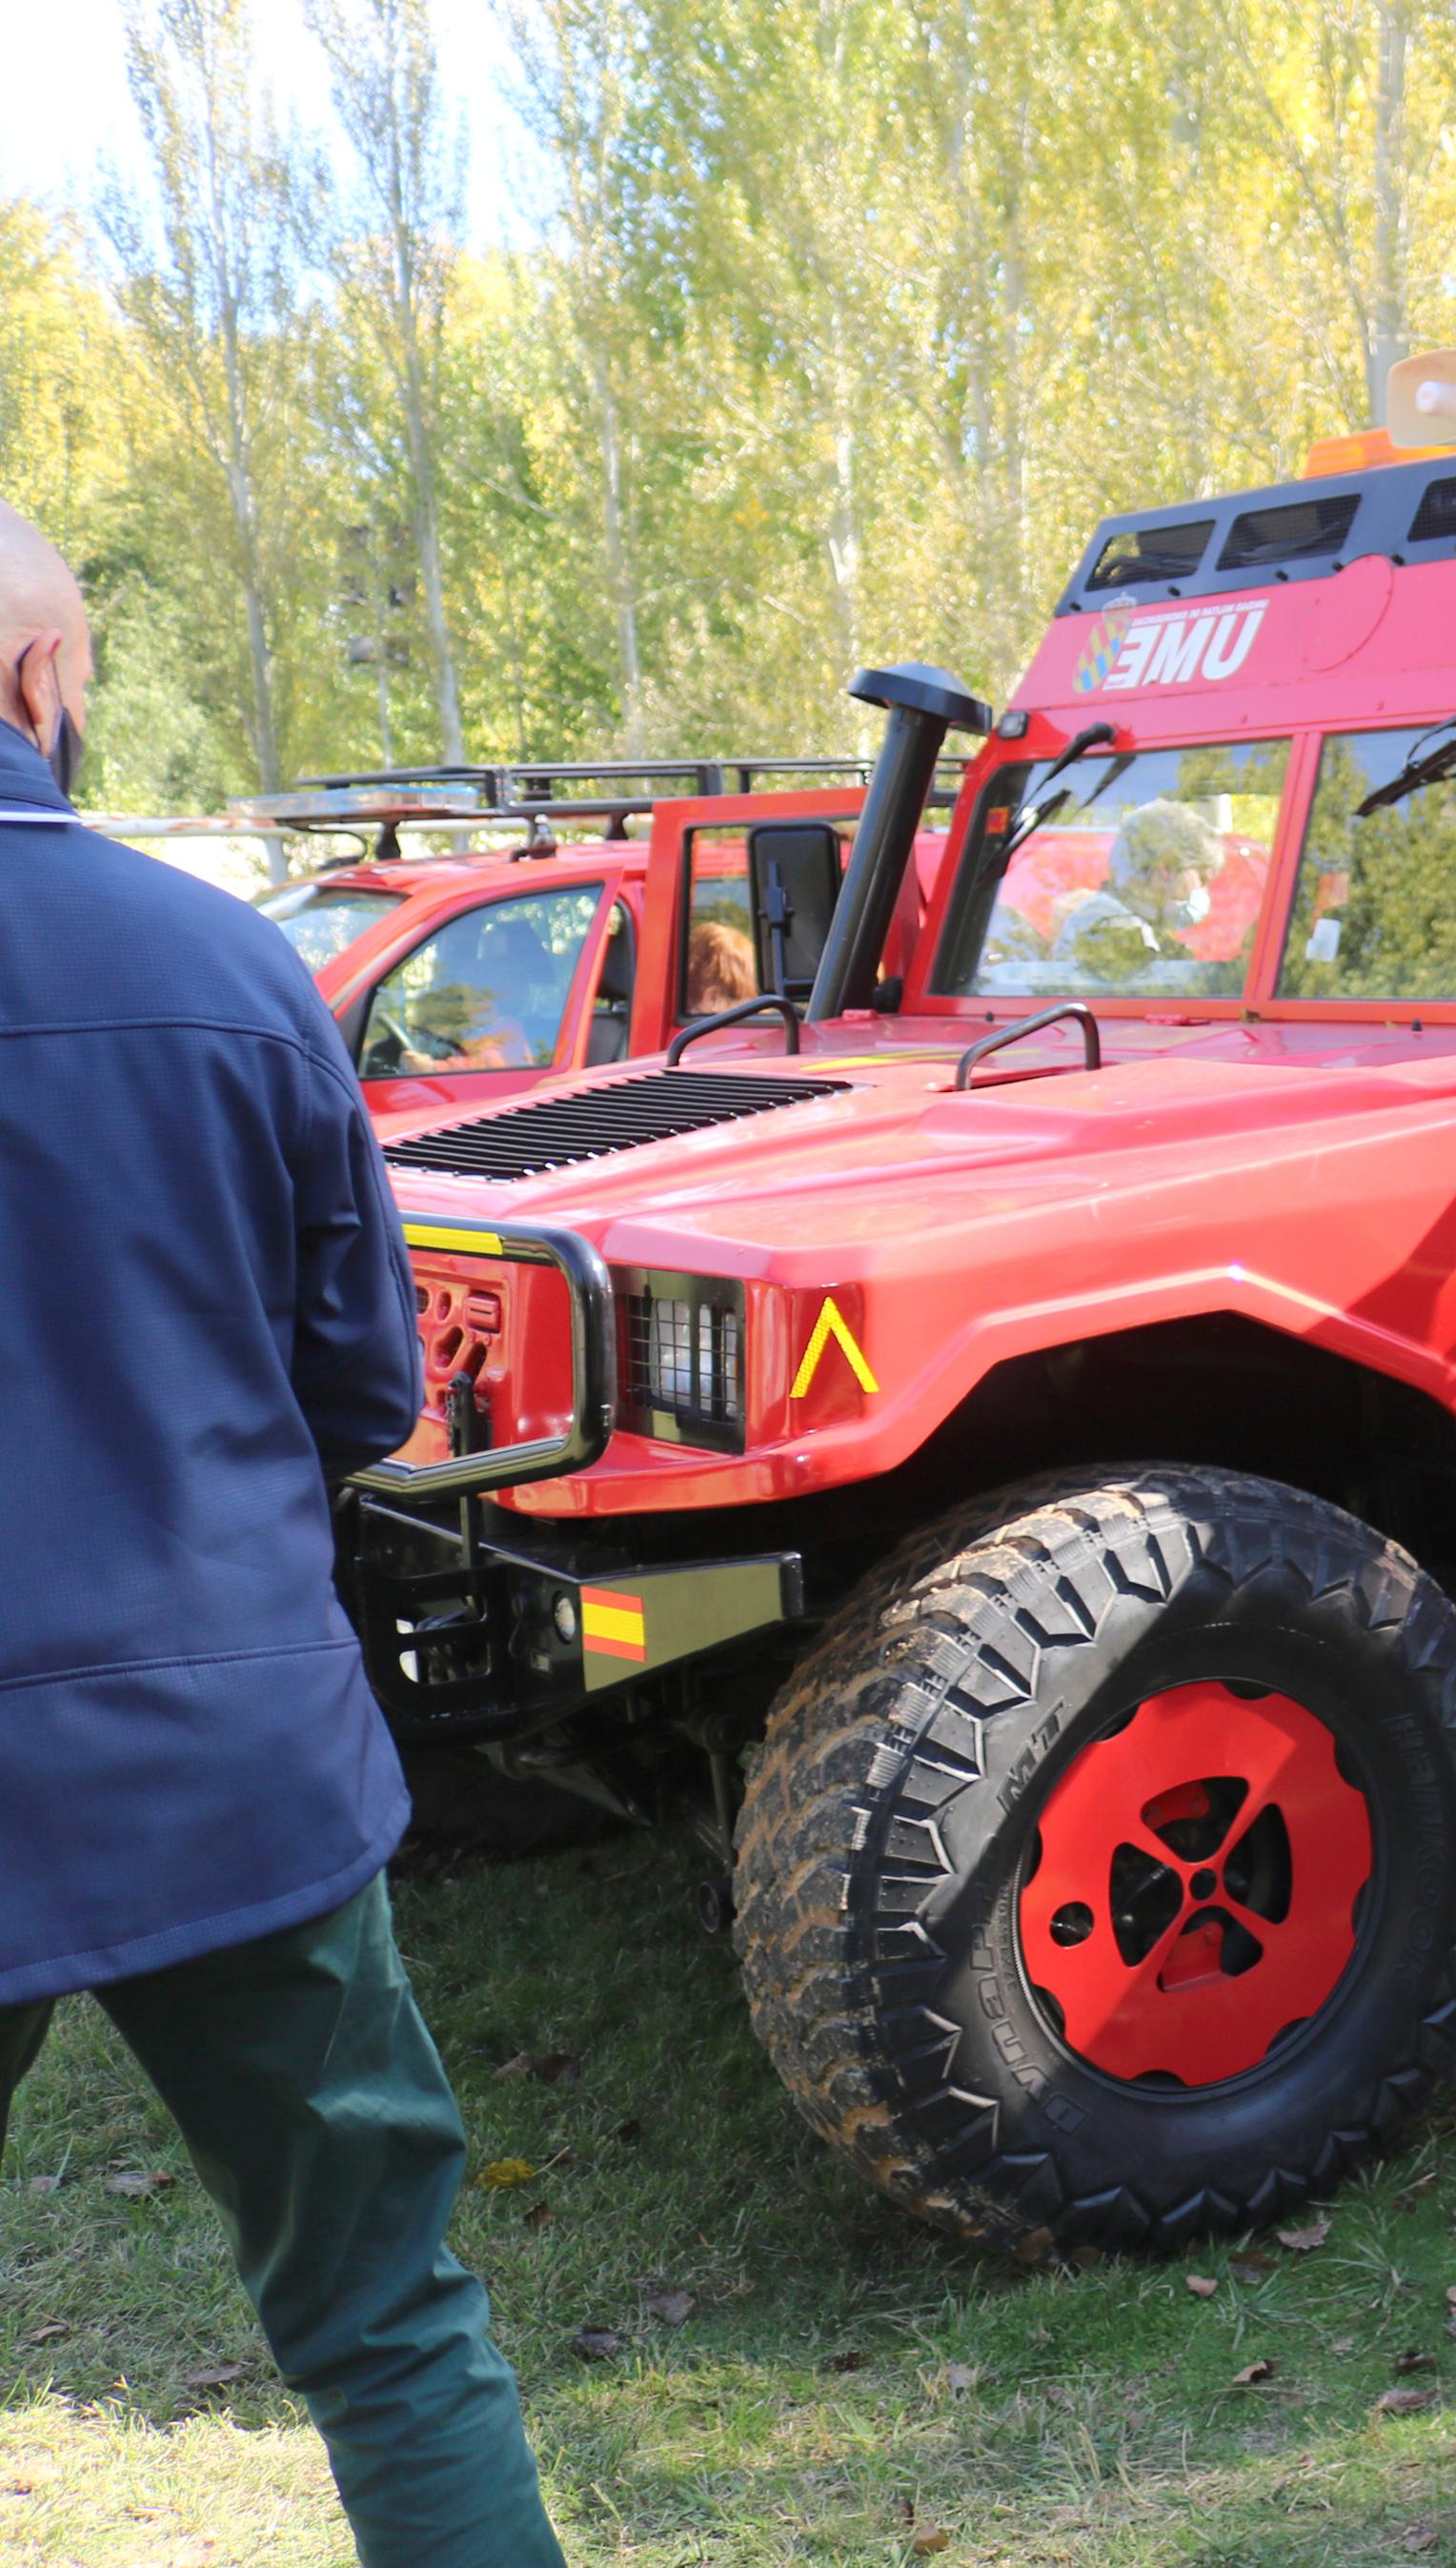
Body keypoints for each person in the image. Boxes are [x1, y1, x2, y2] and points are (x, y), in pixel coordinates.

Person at [0, 503, 568, 2568]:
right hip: (230, 1760)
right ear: (45, 682)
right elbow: (366, 1394)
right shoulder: (233, 970)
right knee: (390, 2332)